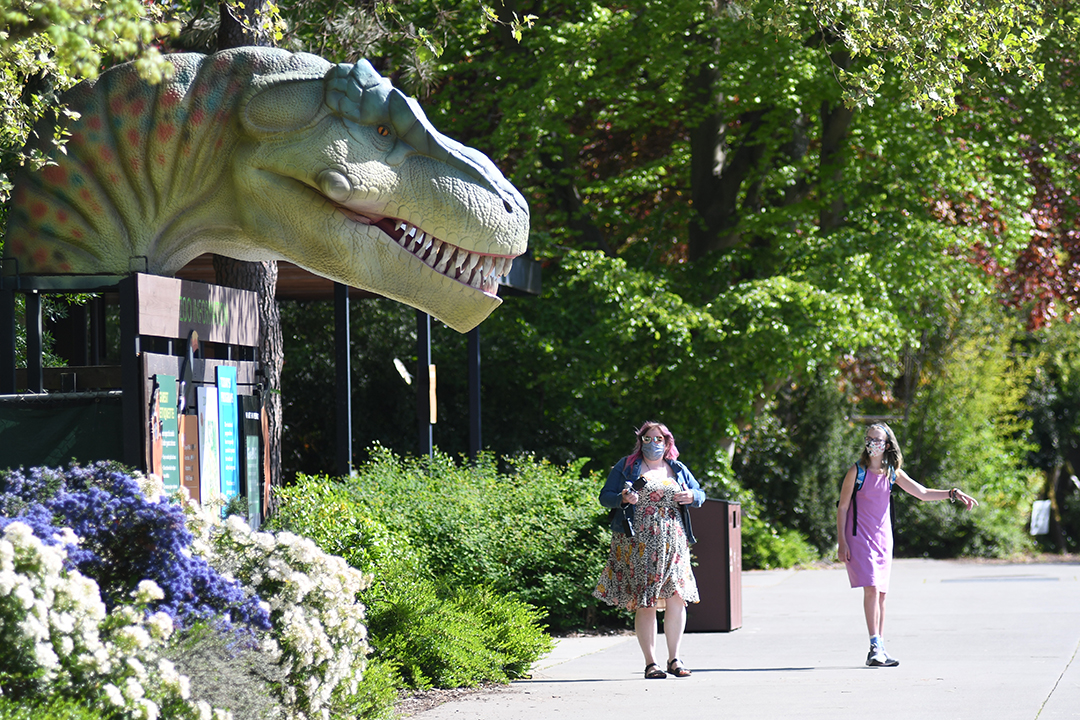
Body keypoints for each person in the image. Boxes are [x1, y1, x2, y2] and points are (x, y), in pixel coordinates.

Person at [836, 422, 979, 667]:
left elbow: (922, 493)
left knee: (882, 594)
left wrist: (952, 493)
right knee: (871, 588)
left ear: (887, 445)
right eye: (869, 439)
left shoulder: (893, 473)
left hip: (883, 539)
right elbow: (843, 507)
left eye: (877, 440)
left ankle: (880, 647)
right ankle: (874, 647)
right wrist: (842, 542)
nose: (872, 443)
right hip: (859, 537)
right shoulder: (856, 472)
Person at [593, 421, 706, 679]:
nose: (653, 443)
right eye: (648, 439)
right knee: (647, 600)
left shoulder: (677, 468)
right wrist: (622, 498)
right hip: (639, 542)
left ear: (667, 443)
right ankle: (651, 663)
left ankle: (675, 659)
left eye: (658, 439)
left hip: (674, 541)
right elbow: (605, 497)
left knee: (677, 596)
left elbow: (700, 493)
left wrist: (692, 497)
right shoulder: (627, 466)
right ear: (640, 441)